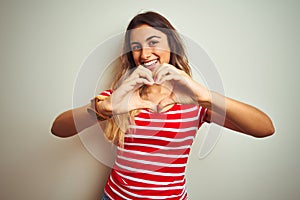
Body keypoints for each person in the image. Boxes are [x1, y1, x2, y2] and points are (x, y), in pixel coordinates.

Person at [51, 11, 275, 200]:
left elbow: (264, 128)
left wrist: (206, 96)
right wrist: (104, 109)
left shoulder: (196, 101)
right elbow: (58, 129)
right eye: (136, 46)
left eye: (153, 42)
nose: (145, 53)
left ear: (172, 45)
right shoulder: (119, 98)